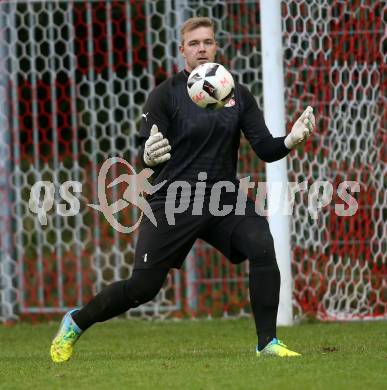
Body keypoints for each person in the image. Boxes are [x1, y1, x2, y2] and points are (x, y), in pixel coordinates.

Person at [50, 17, 315, 363]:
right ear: (182, 51)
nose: (202, 48)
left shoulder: (237, 93)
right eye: (194, 43)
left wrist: (290, 140)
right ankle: (75, 321)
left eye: (207, 41)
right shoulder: (166, 95)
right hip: (173, 200)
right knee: (142, 289)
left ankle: (267, 343)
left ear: (217, 46)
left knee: (262, 245)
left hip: (223, 197)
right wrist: (147, 155)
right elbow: (148, 155)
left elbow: (264, 148)